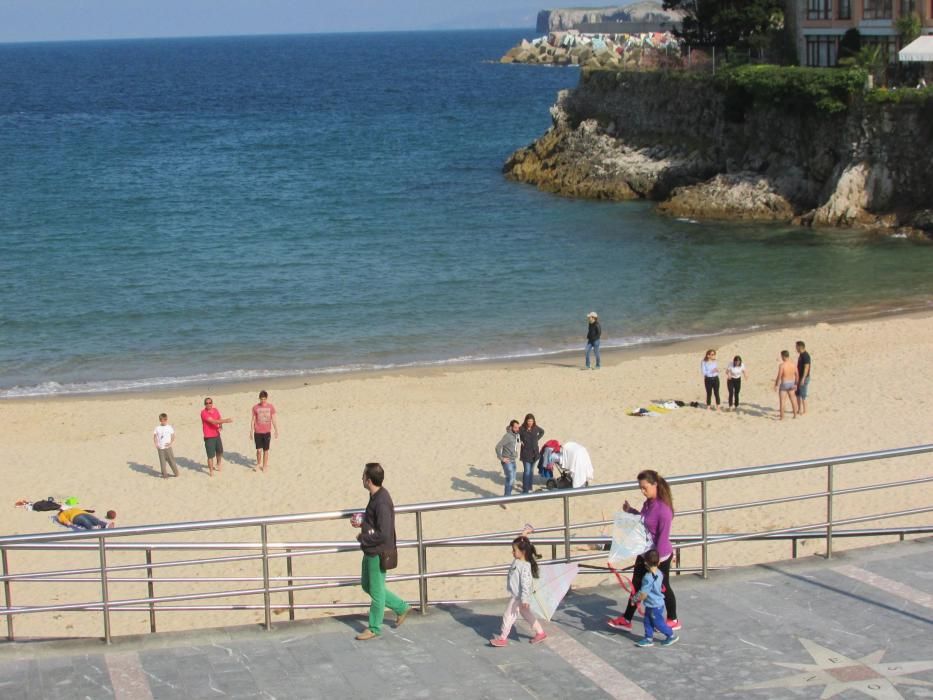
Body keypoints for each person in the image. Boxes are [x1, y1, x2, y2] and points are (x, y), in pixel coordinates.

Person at [608, 469, 680, 632]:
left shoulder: (664, 510)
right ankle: (626, 618)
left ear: (655, 485)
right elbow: (643, 520)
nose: (642, 491)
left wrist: (657, 560)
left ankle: (673, 618)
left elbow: (663, 537)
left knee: (663, 587)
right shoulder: (648, 503)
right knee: (636, 584)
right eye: (640, 488)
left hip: (658, 556)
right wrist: (631, 511)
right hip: (645, 551)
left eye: (644, 487)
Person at [351, 462, 410, 641]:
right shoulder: (375, 496)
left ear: (368, 480)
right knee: (367, 585)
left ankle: (374, 627)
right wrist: (363, 521)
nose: (361, 478)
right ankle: (401, 607)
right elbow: (375, 522)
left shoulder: (382, 501)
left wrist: (363, 538)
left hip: (377, 552)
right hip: (370, 551)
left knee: (376, 593)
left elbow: (383, 533)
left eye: (363, 476)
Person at [489, 535, 547, 647]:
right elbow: (521, 542)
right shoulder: (518, 560)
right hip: (518, 595)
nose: (512, 552)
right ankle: (540, 633)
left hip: (518, 596)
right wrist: (524, 533)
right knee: (526, 613)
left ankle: (502, 638)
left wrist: (525, 599)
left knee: (508, 615)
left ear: (523, 551)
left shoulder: (525, 566)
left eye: (514, 550)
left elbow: (525, 584)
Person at [633, 549, 679, 648]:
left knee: (658, 623)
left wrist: (635, 599)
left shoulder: (647, 577)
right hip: (656, 604)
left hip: (654, 605)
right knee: (647, 621)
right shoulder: (659, 573)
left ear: (646, 562)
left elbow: (643, 593)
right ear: (658, 562)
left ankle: (670, 635)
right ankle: (648, 638)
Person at [201, 397, 233, 477]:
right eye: (207, 403)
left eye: (210, 402)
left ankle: (218, 464)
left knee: (220, 451)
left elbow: (218, 418)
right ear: (205, 404)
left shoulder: (215, 410)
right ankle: (211, 471)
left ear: (212, 403)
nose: (208, 404)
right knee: (210, 455)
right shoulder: (203, 413)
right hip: (209, 437)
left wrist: (221, 425)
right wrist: (226, 421)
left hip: (216, 434)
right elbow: (213, 421)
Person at [249, 390, 279, 472]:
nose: (263, 400)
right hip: (257, 432)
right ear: (259, 399)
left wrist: (276, 430)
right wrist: (251, 431)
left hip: (267, 432)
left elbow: (273, 419)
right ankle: (258, 464)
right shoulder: (255, 407)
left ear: (266, 398)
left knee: (266, 450)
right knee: (259, 450)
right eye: (261, 399)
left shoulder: (270, 407)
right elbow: (253, 420)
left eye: (264, 399)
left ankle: (264, 466)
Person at [518, 413, 545, 494]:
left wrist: (537, 439)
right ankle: (525, 490)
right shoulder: (521, 429)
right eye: (529, 421)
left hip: (535, 453)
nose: (530, 422)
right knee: (527, 471)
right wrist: (519, 441)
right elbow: (513, 433)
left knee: (531, 471)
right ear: (526, 421)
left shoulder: (535, 428)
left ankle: (529, 487)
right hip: (525, 453)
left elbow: (542, 431)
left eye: (531, 421)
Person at [495, 420, 521, 496]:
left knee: (512, 480)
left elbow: (517, 441)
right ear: (511, 427)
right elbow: (497, 447)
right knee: (509, 479)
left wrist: (521, 442)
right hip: (507, 461)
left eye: (518, 427)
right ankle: (506, 498)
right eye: (515, 427)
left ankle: (508, 495)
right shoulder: (507, 436)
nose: (517, 429)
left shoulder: (516, 434)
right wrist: (501, 458)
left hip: (513, 460)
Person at [773, 351, 799, 420]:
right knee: (793, 399)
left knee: (782, 401)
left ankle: (782, 417)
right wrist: (796, 384)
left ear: (783, 356)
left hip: (784, 383)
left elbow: (779, 376)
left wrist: (776, 385)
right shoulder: (793, 364)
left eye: (781, 356)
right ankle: (795, 415)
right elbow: (797, 375)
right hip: (791, 382)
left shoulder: (782, 365)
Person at [153, 413, 179, 478]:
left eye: (165, 419)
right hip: (160, 448)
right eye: (162, 420)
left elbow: (173, 436)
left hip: (168, 447)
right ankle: (164, 475)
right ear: (160, 420)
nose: (164, 421)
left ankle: (176, 473)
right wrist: (156, 444)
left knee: (171, 461)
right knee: (162, 462)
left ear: (167, 419)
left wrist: (170, 443)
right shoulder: (157, 428)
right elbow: (155, 436)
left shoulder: (169, 427)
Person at [795, 341, 811, 415]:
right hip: (799, 377)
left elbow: (806, 367)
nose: (796, 349)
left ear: (799, 347)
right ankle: (799, 409)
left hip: (803, 377)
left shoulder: (805, 356)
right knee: (797, 393)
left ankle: (805, 411)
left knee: (803, 394)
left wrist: (803, 378)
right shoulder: (801, 355)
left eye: (796, 347)